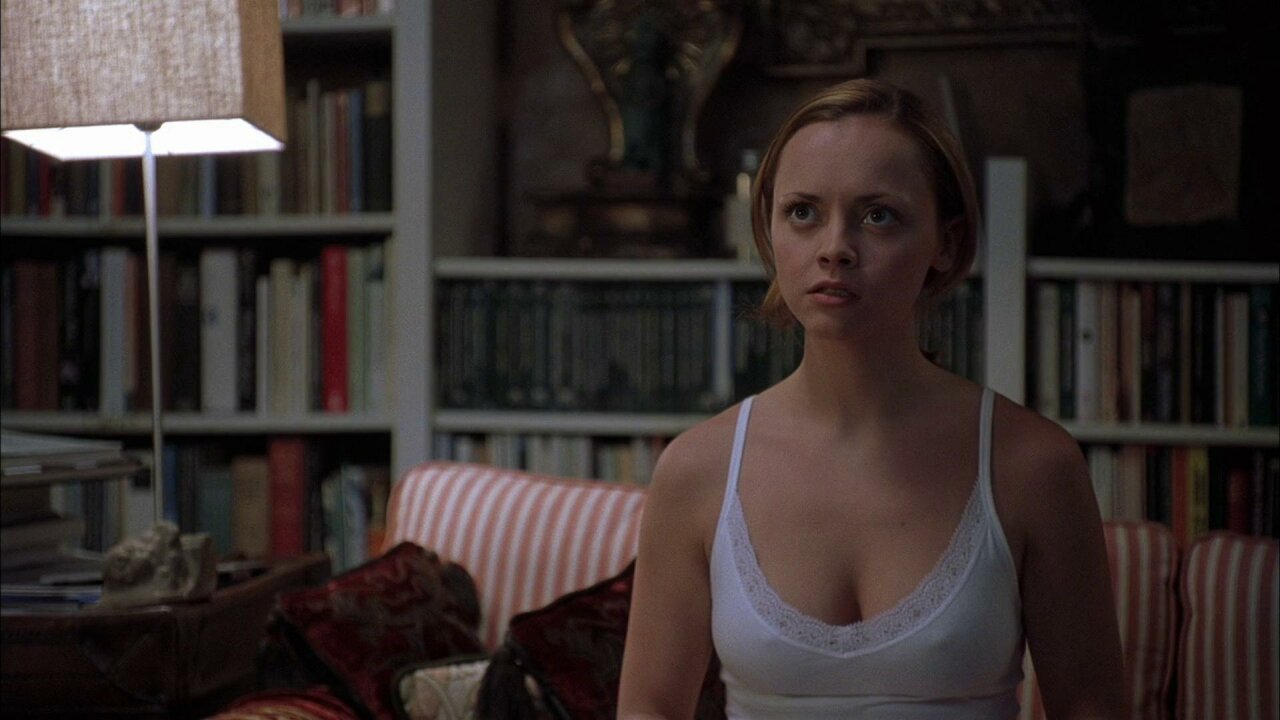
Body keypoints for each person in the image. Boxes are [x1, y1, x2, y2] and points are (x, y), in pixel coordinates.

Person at [616, 78, 1126, 719]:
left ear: (945, 241)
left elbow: (1090, 707)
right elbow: (649, 708)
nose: (834, 248)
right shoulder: (698, 470)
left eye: (878, 215)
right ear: (769, 230)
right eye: (803, 213)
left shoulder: (1032, 465)